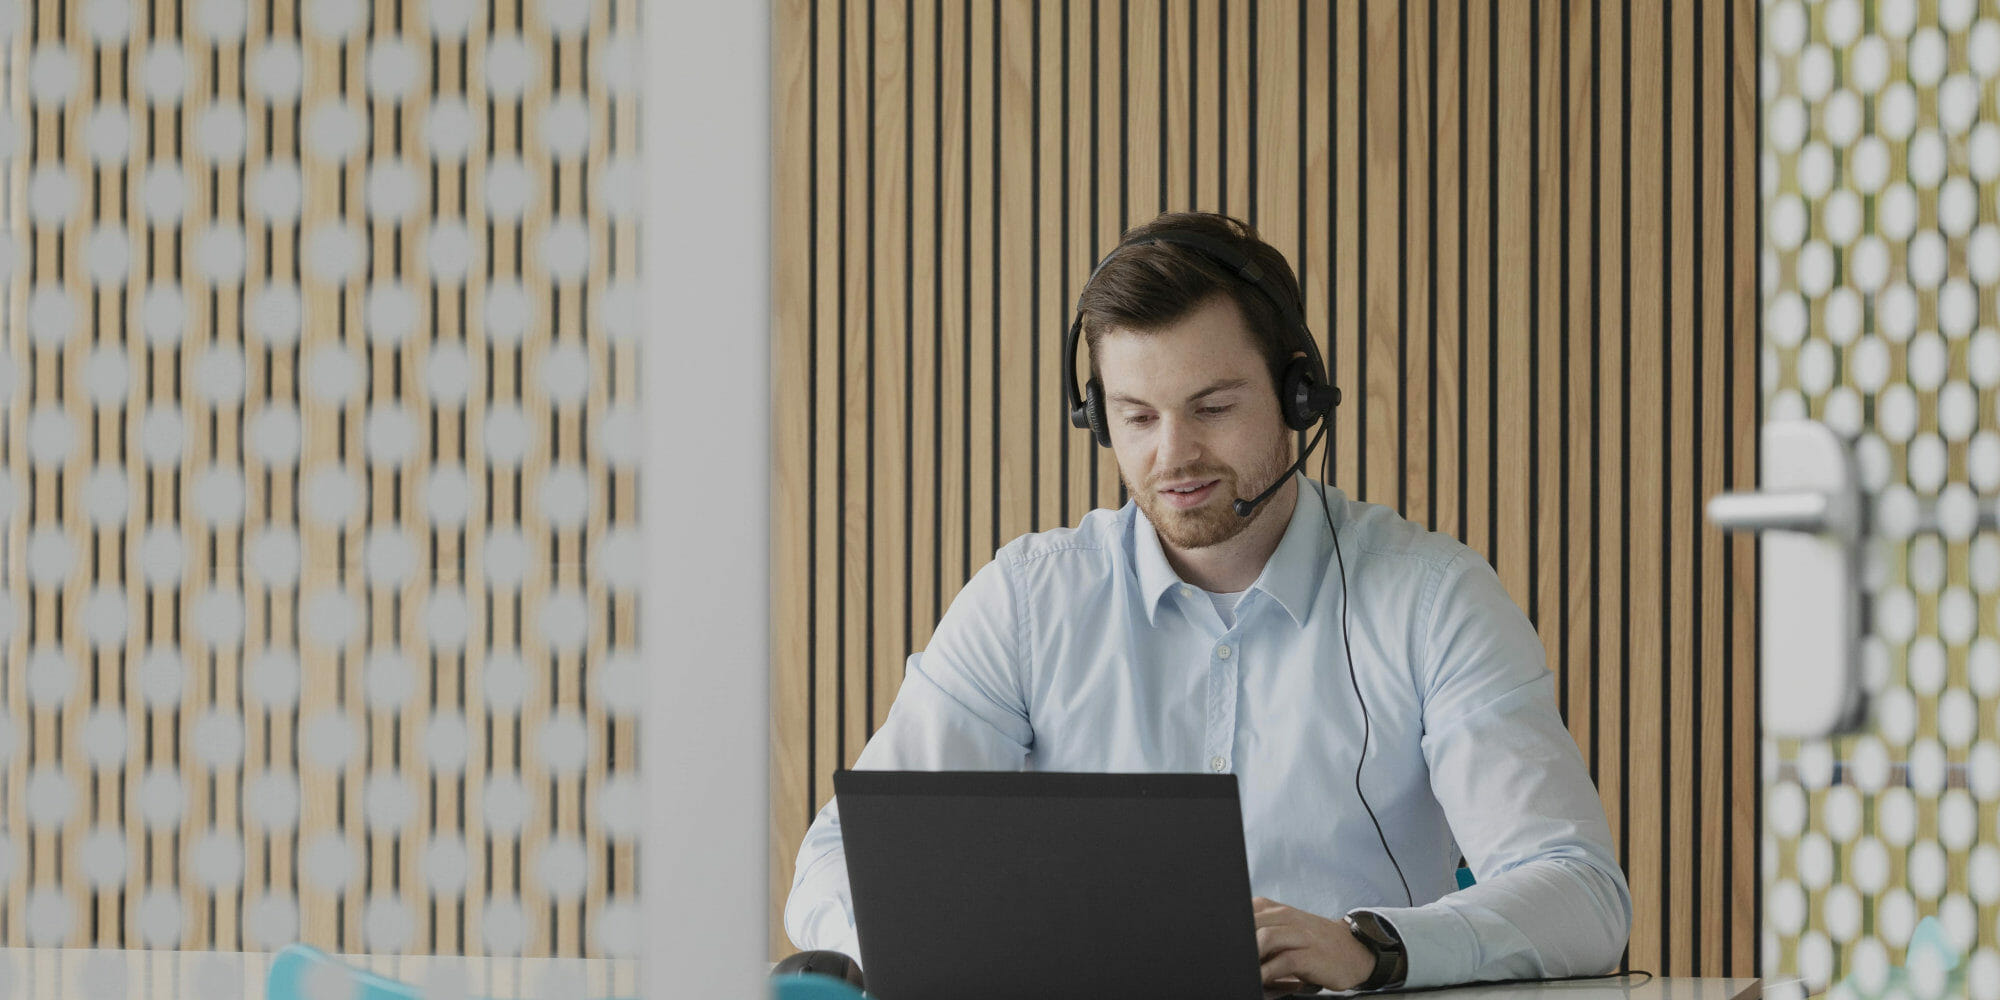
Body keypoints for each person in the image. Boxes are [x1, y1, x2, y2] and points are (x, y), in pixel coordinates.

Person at [784, 211, 1631, 992]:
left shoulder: (1433, 599)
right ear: (1098, 416)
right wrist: (906, 948)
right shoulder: (1028, 602)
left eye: (1213, 408)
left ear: (1299, 394)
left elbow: (1582, 892)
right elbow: (837, 859)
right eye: (1136, 416)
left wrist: (1374, 946)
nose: (1173, 455)